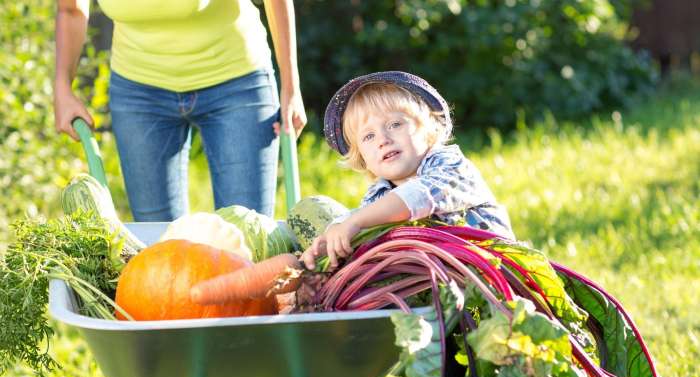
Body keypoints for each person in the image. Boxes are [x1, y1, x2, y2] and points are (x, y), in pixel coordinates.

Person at [54, 0, 306, 221]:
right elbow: (71, 9)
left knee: (249, 234)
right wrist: (63, 87)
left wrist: (291, 85)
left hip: (235, 80)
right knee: (157, 239)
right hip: (140, 92)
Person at [301, 71, 514, 269]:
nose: (383, 140)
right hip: (435, 282)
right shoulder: (379, 194)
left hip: (491, 273)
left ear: (428, 129)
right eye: (369, 136)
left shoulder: (450, 165)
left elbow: (416, 197)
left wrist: (355, 222)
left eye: (395, 124)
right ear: (361, 157)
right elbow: (364, 225)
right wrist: (335, 234)